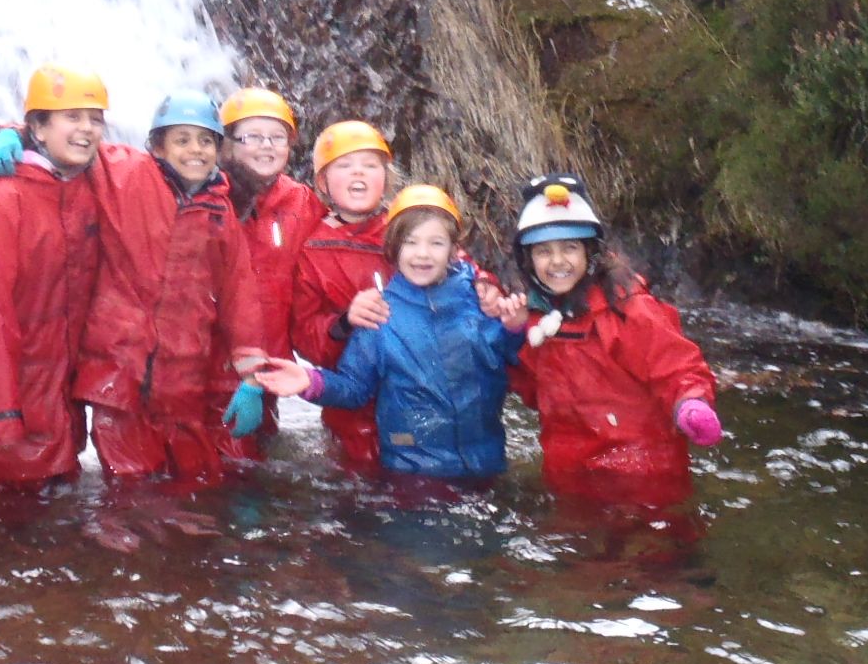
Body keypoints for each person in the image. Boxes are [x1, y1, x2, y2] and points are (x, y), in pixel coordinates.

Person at [0, 92, 265, 481]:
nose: (195, 151)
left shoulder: (221, 212)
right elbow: (74, 141)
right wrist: (13, 135)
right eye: (182, 140)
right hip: (117, 379)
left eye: (205, 141)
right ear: (157, 147)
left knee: (192, 490)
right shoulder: (125, 173)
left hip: (184, 379)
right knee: (130, 495)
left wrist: (252, 378)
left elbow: (240, 297)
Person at [258, 186, 527, 479]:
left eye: (436, 243)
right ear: (393, 249)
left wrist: (515, 329)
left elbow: (509, 361)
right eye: (410, 243)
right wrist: (309, 382)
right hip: (410, 475)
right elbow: (354, 388)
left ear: (453, 251)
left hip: (487, 467)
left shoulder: (480, 303)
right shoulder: (381, 314)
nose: (422, 254)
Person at [509, 173, 721, 502]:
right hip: (570, 474)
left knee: (655, 551)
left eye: (570, 248)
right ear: (528, 261)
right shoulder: (534, 321)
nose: (557, 261)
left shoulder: (629, 309)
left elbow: (676, 365)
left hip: (644, 472)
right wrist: (507, 334)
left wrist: (691, 403)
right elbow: (533, 392)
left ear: (592, 255)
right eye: (543, 251)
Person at [0, 65, 106, 487]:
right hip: (8, 409)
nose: (86, 130)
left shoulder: (88, 187)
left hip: (58, 404)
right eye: (71, 117)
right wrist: (0, 417)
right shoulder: (4, 201)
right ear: (38, 127)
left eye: (95, 119)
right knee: (7, 536)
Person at [208, 87, 323, 456]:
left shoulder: (302, 203)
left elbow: (362, 233)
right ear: (226, 144)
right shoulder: (203, 196)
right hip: (204, 369)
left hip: (268, 372)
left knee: (254, 473)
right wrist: (23, 133)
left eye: (277, 138)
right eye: (253, 137)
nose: (266, 147)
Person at [289, 120, 397, 468]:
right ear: (323, 182)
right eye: (345, 166)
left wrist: (486, 288)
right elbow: (306, 335)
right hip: (348, 411)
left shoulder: (408, 226)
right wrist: (345, 323)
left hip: (414, 397)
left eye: (370, 165)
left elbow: (460, 269)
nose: (358, 174)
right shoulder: (313, 248)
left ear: (386, 177)